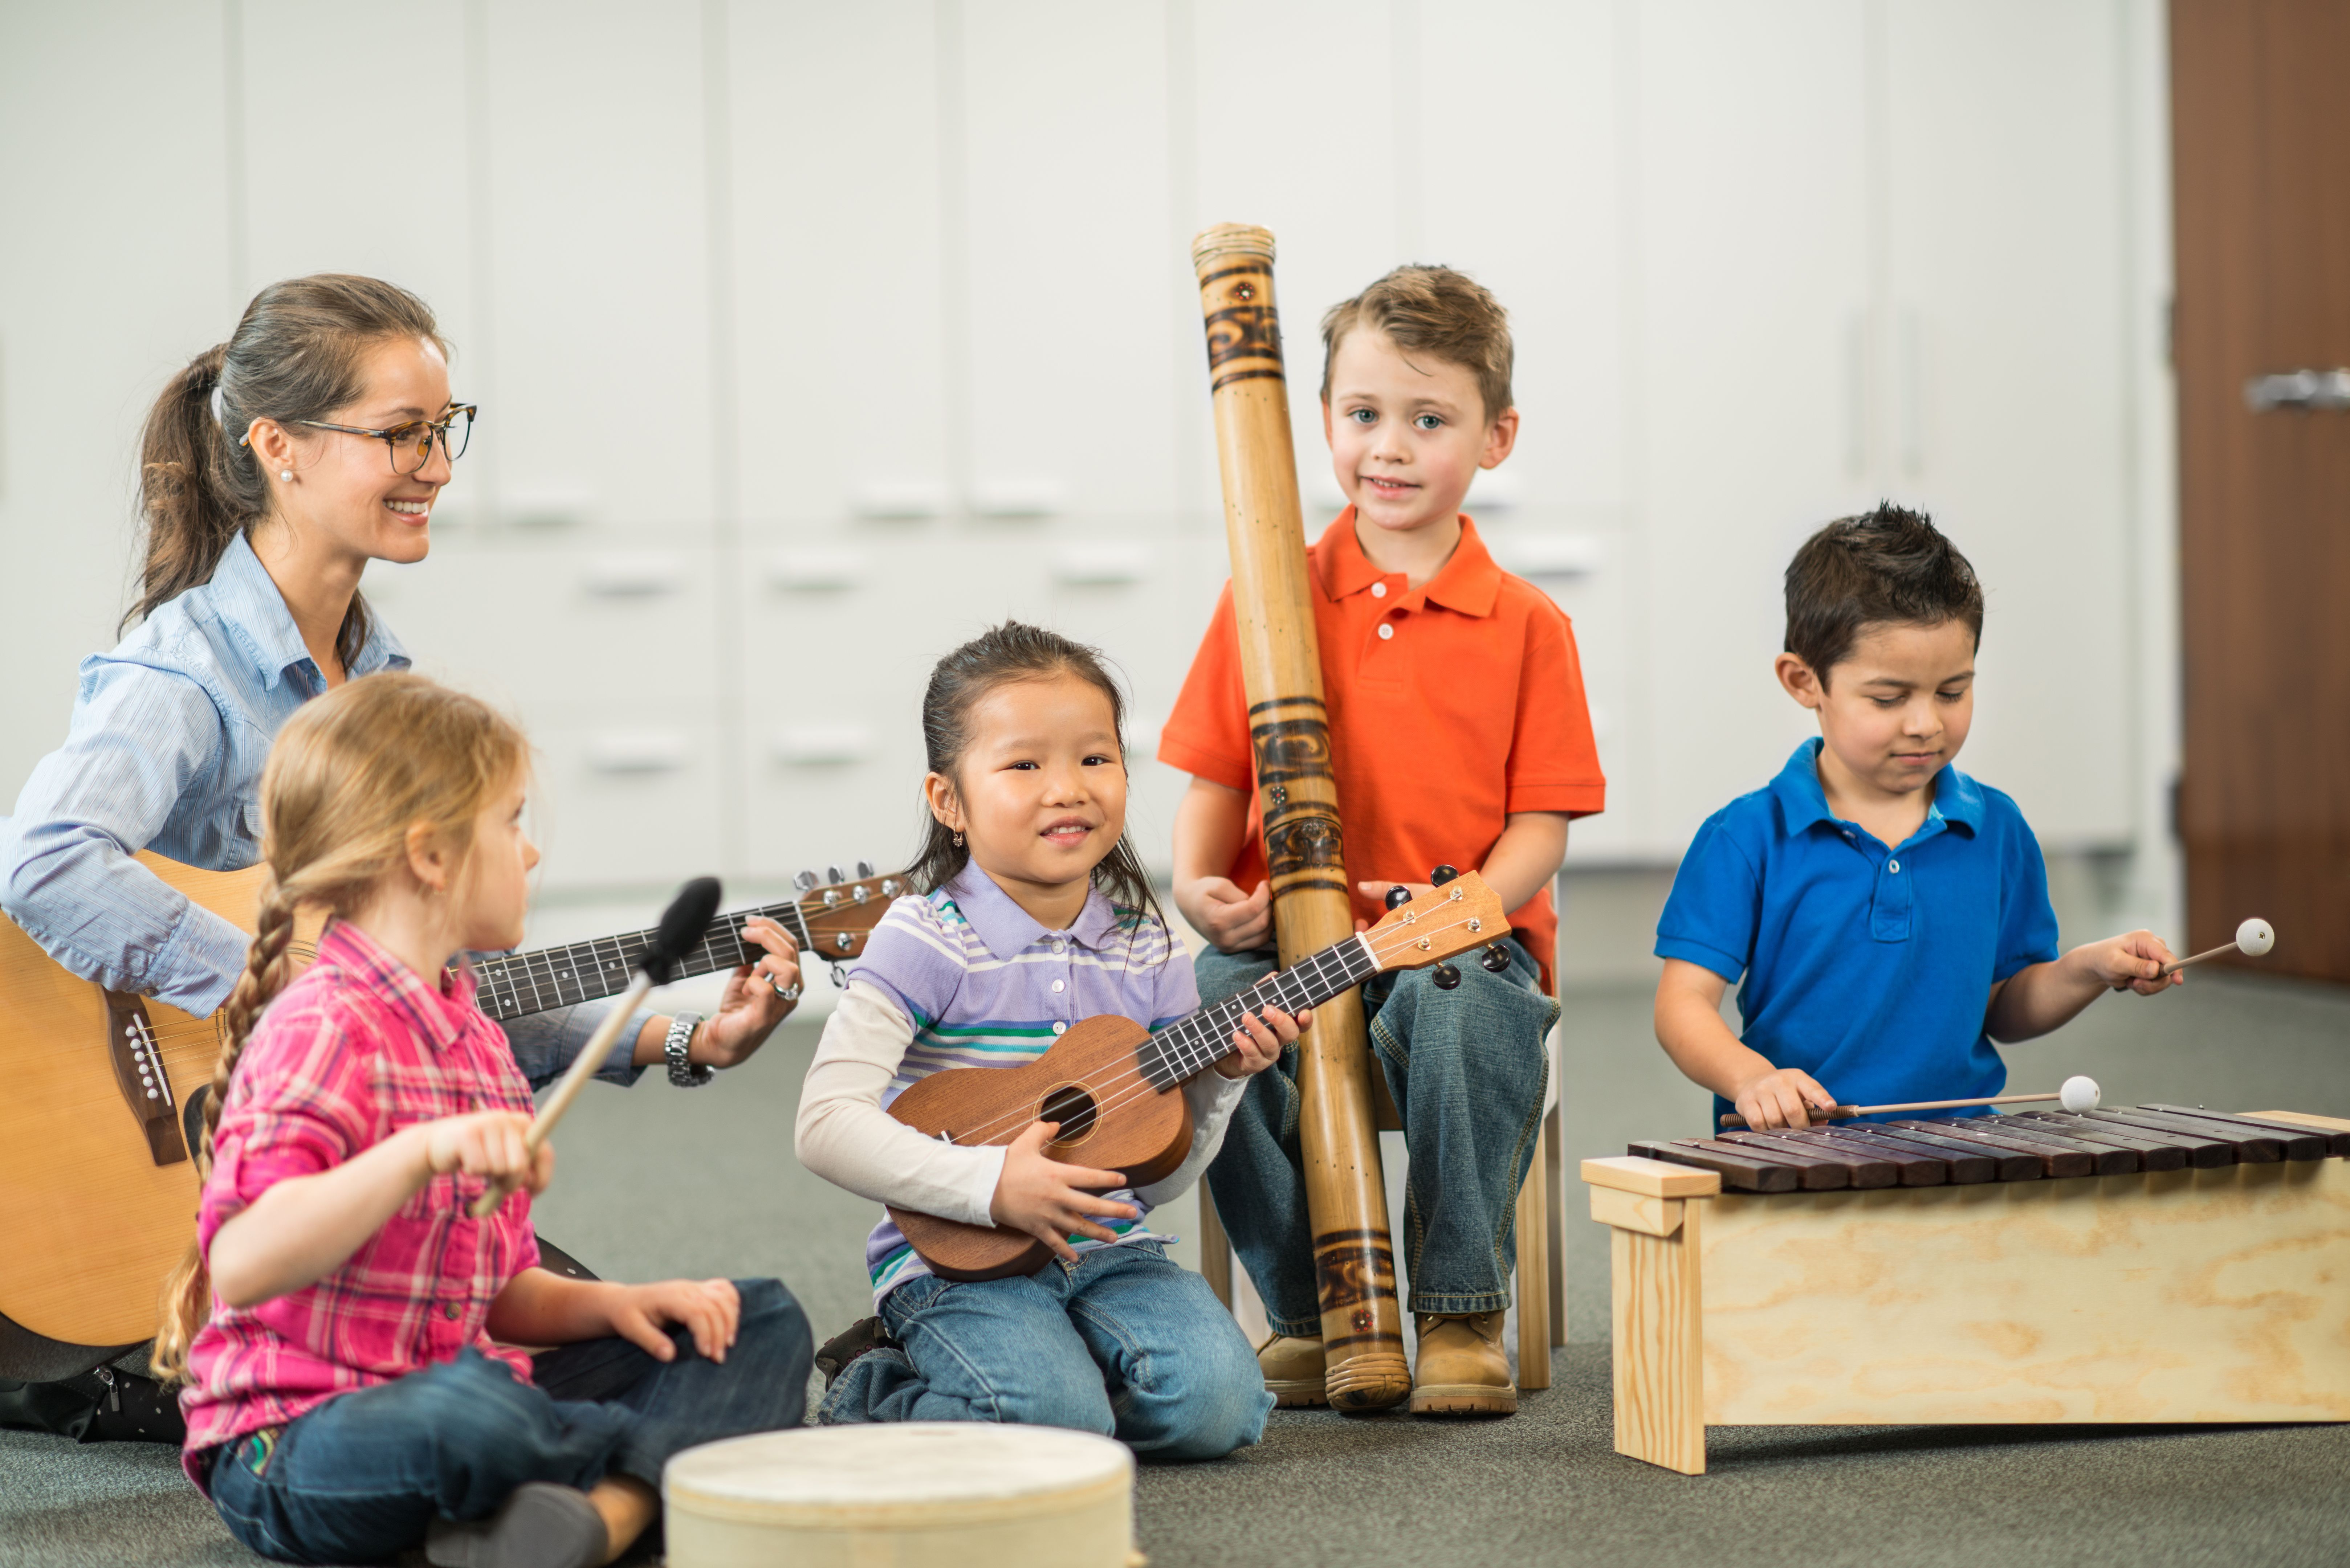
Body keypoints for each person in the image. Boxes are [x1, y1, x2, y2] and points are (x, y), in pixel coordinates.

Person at [0, 274, 799, 1100]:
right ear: (278, 447)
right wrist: (282, 992)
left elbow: (448, 995)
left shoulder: (384, 685)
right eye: (402, 435)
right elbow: (44, 863)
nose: (440, 468)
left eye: (445, 429)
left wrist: (689, 1039)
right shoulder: (183, 676)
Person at [155, 673, 810, 1568]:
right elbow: (243, 1260)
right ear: (430, 855)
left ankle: (588, 1522)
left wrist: (622, 1305)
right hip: (299, 1447)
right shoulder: (320, 1031)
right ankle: (654, 1479)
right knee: (473, 1410)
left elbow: (497, 1296)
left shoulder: (476, 1040)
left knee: (754, 1321)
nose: (531, 854)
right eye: (511, 822)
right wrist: (417, 1156)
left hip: (465, 1379)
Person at [1161, 265, 1608, 1417]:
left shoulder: (1527, 625)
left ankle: (1462, 1308)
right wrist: (1202, 889)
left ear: (1495, 437)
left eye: (1429, 419)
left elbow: (1538, 832)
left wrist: (1464, 909)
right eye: (1364, 416)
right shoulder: (1270, 595)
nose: (1390, 449)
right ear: (1322, 424)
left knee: (1469, 1007)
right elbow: (1215, 786)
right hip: (1293, 950)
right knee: (1212, 1011)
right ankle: (1309, 1311)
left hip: (1455, 945)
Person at [798, 622, 1287, 1459]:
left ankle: (1059, 1399)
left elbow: (1158, 1182)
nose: (1068, 789)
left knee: (1222, 1410)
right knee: (1054, 1421)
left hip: (1110, 1248)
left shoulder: (1151, 940)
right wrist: (993, 1187)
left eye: (1095, 759)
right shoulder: (927, 935)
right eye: (1025, 765)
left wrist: (1223, 1080)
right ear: (948, 800)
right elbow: (824, 1125)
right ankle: (872, 1388)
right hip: (957, 1262)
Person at [1651, 504, 2179, 1135]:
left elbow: (2002, 1007)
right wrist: (1750, 1078)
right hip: (1796, 1151)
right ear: (1803, 681)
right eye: (1888, 698)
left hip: (1959, 1144)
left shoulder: (1996, 829)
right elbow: (1682, 1006)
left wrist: (2086, 968)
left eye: (1952, 692)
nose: (1926, 723)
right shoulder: (1746, 838)